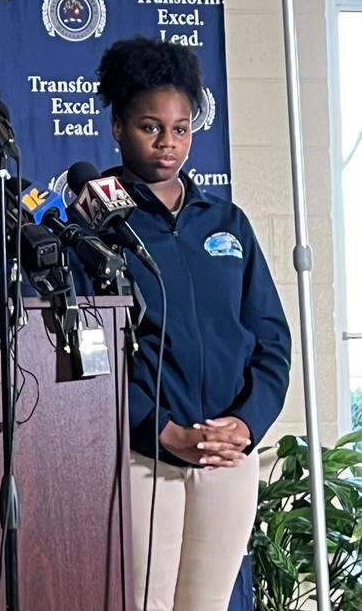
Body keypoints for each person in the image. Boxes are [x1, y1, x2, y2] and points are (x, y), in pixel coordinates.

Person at [92, 37, 290, 611]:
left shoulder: (227, 221)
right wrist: (159, 430)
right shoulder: (95, 224)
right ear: (118, 127)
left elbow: (271, 340)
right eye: (150, 127)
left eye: (180, 129)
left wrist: (245, 425)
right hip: (143, 457)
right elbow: (89, 356)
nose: (168, 144)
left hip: (228, 455)